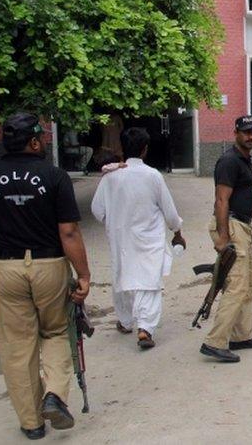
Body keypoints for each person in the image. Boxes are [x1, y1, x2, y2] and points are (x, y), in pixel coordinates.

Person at [0, 112, 91, 440]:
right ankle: (55, 394)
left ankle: (31, 422)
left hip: (7, 268)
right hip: (49, 265)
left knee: (17, 345)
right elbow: (69, 231)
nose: (44, 141)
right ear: (32, 141)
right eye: (41, 137)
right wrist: (83, 274)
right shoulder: (55, 177)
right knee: (56, 331)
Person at [91, 127, 185, 350]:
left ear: (123, 148)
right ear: (144, 150)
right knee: (149, 282)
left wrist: (114, 221)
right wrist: (178, 233)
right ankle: (144, 328)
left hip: (121, 238)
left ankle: (125, 321)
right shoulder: (153, 176)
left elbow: (97, 210)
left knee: (122, 278)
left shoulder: (111, 177)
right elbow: (169, 211)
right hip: (148, 239)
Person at [200, 115, 252, 363]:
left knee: (249, 283)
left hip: (243, 226)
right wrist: (223, 237)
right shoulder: (229, 161)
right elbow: (221, 199)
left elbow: (242, 195)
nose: (250, 136)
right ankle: (214, 342)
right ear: (236, 133)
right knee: (237, 285)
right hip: (231, 226)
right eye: (245, 132)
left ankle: (240, 336)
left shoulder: (244, 161)